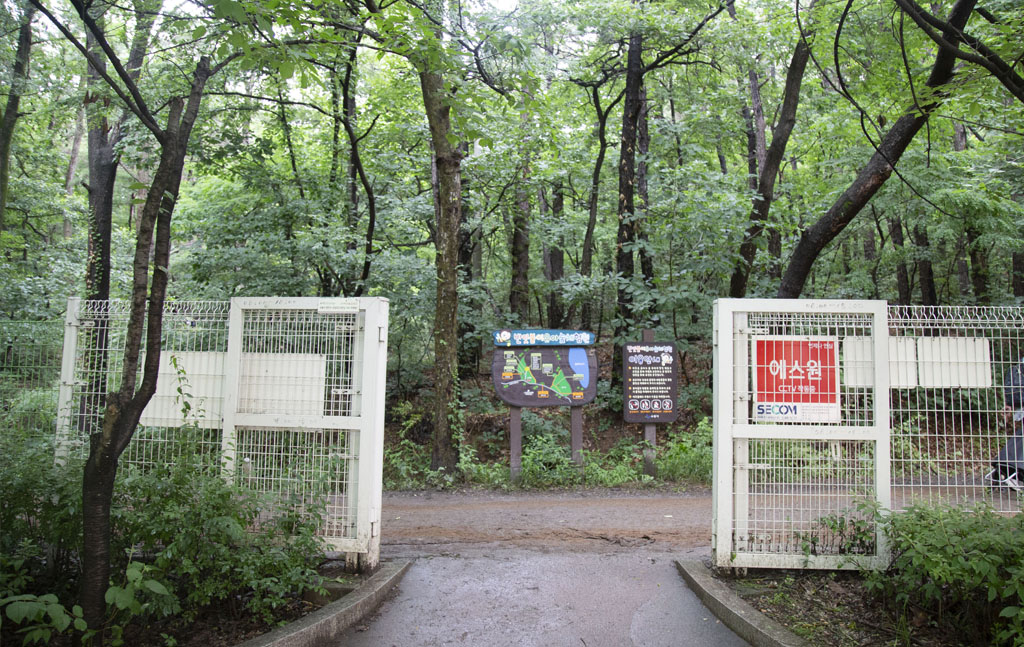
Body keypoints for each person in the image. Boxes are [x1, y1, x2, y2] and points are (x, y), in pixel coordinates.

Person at [986, 361, 1024, 492]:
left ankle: (1006, 465)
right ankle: (1014, 469)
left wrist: (1011, 404)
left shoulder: (1019, 365)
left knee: (1020, 437)